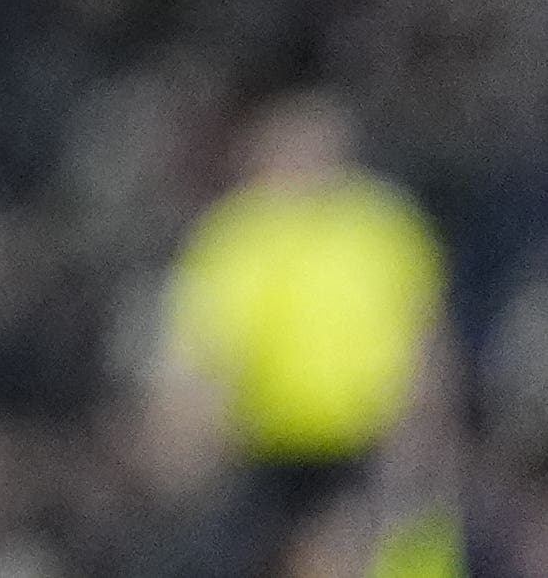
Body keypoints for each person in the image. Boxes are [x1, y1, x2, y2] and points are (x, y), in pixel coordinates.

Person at [151, 93, 456, 578]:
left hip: (363, 442)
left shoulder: (383, 227)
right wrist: (190, 429)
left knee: (382, 551)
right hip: (267, 447)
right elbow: (199, 350)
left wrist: (421, 429)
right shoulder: (236, 235)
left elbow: (425, 336)